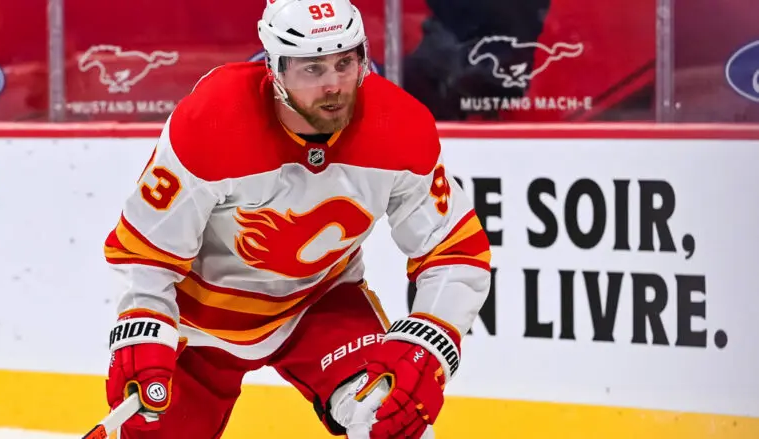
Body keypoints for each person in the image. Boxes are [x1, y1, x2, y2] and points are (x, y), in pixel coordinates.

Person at [101, 0, 492, 437]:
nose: (334, 85)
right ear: (275, 68)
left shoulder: (398, 127)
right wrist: (143, 329)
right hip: (199, 322)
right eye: (312, 68)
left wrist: (431, 338)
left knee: (393, 418)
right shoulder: (212, 121)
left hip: (319, 305)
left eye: (346, 63)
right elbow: (144, 251)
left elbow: (453, 248)